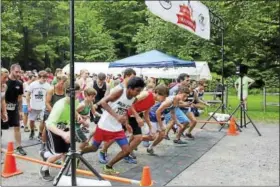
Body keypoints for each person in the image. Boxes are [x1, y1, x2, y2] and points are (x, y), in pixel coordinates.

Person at [81, 77, 145, 175]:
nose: (139, 93)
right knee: (94, 148)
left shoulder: (133, 99)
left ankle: (108, 166)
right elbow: (103, 102)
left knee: (127, 150)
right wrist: (116, 116)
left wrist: (126, 123)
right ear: (130, 88)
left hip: (117, 127)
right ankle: (78, 154)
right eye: (137, 90)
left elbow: (125, 110)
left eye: (140, 91)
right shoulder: (120, 92)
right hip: (104, 125)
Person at [40, 83, 82, 181]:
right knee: (58, 154)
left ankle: (64, 171)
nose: (79, 95)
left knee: (67, 152)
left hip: (65, 128)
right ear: (70, 93)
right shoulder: (60, 105)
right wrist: (63, 134)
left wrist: (77, 115)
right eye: (77, 93)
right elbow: (49, 124)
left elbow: (72, 110)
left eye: (79, 93)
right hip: (53, 128)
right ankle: (44, 168)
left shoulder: (75, 101)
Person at [40, 74, 68, 151]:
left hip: (60, 113)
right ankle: (43, 143)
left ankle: (59, 144)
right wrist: (53, 112)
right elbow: (47, 103)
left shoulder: (65, 90)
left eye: (64, 83)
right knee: (46, 129)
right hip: (50, 111)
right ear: (58, 81)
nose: (63, 85)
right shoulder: (51, 90)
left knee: (61, 127)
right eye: (62, 83)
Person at [5, 64, 27, 155]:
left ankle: (19, 147)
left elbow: (20, 98)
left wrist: (21, 110)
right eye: (16, 72)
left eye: (19, 72)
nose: (18, 74)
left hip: (14, 107)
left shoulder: (19, 83)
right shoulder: (4, 81)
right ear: (11, 71)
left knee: (17, 127)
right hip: (3, 107)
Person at [26, 71, 51, 140]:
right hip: (33, 106)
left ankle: (40, 133)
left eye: (46, 78)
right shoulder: (33, 84)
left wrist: (48, 106)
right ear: (39, 77)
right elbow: (27, 95)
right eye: (43, 78)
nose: (45, 79)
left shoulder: (48, 85)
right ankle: (32, 131)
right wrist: (28, 106)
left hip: (43, 106)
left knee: (42, 121)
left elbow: (49, 96)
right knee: (31, 120)